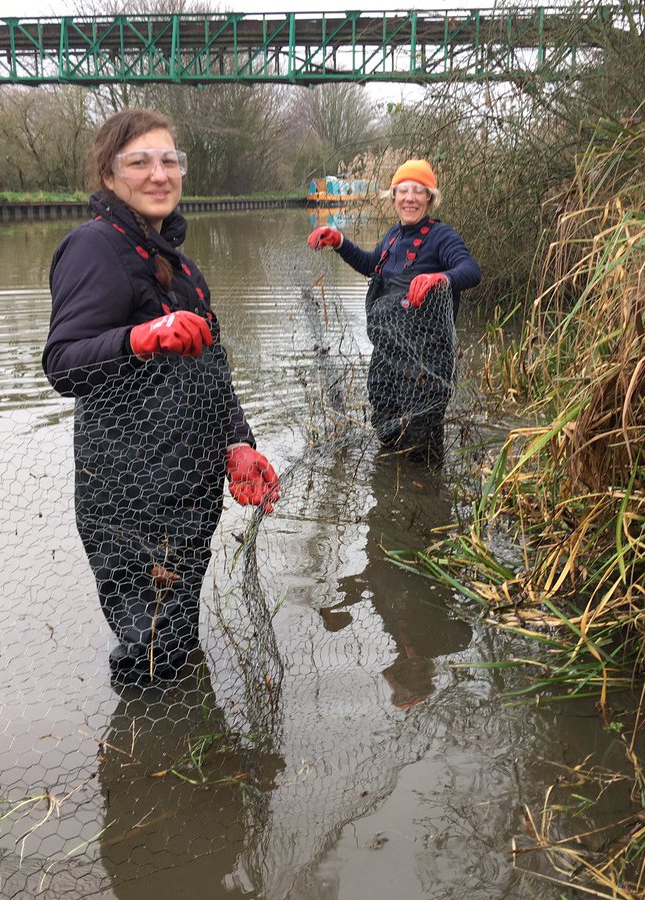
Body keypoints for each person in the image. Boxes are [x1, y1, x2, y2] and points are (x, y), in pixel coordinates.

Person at [42, 108, 279, 685]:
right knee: (149, 652)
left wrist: (237, 444)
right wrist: (140, 337)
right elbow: (63, 364)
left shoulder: (181, 264)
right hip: (130, 497)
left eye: (169, 159)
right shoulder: (94, 246)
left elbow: (209, 372)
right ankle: (147, 763)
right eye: (139, 161)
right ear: (109, 175)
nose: (159, 173)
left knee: (173, 638)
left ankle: (175, 750)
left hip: (186, 489)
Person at [306, 159, 481, 463]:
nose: (409, 198)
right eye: (403, 191)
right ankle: (392, 493)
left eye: (418, 191)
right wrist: (340, 241)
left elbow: (471, 270)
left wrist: (441, 277)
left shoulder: (442, 237)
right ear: (394, 196)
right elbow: (371, 264)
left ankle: (426, 498)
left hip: (426, 363)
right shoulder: (392, 237)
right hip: (387, 359)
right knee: (387, 434)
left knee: (420, 446)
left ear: (430, 197)